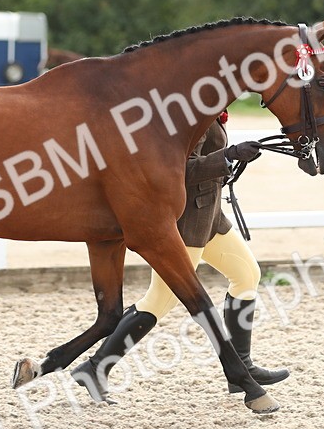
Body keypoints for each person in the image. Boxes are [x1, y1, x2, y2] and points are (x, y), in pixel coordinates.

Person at [70, 111, 290, 402]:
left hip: (210, 216)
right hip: (186, 224)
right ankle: (95, 368)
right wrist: (228, 155)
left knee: (247, 275)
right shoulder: (192, 115)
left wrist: (234, 158)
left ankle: (243, 369)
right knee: (158, 301)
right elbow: (180, 169)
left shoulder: (211, 110)